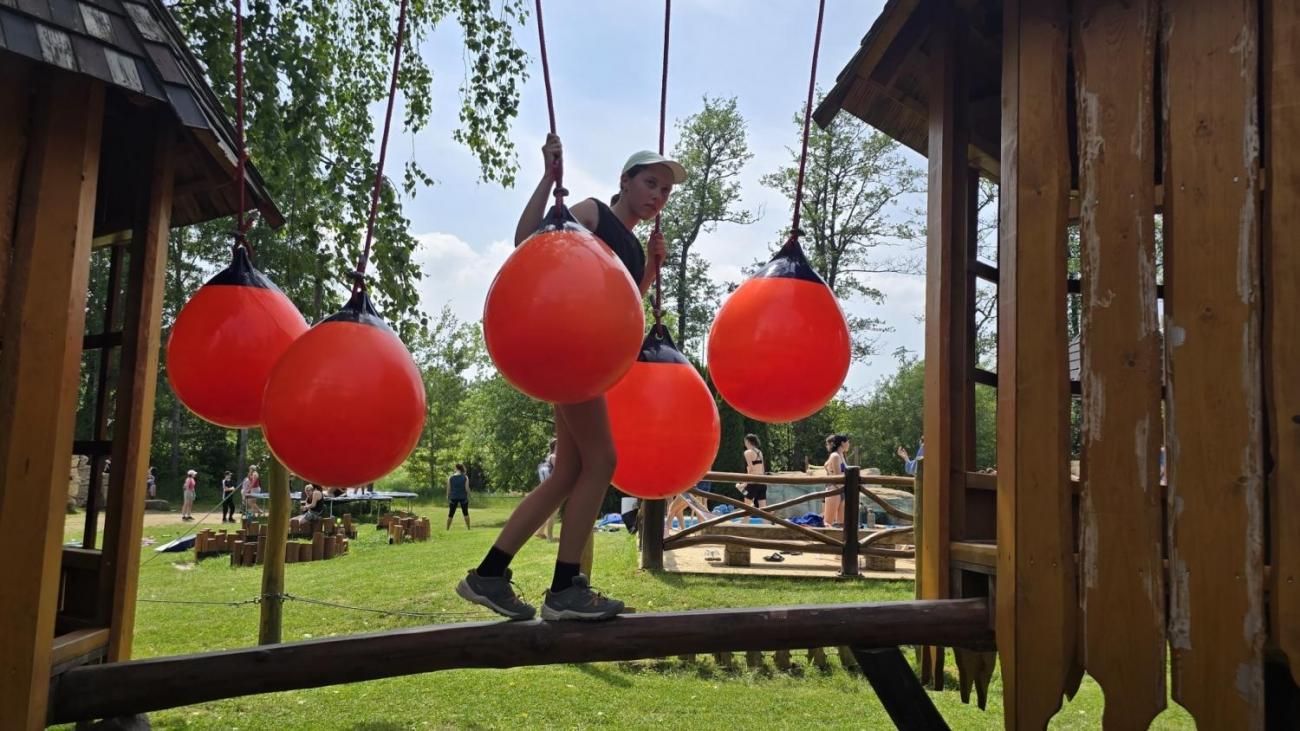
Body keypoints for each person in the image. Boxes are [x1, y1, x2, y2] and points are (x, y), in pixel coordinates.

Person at [457, 137, 680, 622]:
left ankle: (489, 575)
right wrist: (547, 177)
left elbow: (624, 310)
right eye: (649, 183)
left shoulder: (635, 249)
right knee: (602, 459)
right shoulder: (595, 213)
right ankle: (565, 589)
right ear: (624, 182)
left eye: (664, 191)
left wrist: (651, 270)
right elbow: (527, 243)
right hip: (568, 348)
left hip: (589, 357)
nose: (657, 196)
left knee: (567, 473)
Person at [823, 434, 851, 528]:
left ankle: (839, 542)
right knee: (828, 522)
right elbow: (838, 477)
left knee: (841, 524)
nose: (849, 444)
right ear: (842, 443)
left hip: (842, 491)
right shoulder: (835, 456)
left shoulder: (841, 455)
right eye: (848, 442)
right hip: (834, 490)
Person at [534, 438, 559, 540]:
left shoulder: (548, 458)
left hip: (546, 489)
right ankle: (550, 536)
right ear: (555, 446)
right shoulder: (554, 456)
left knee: (548, 512)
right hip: (552, 489)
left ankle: (539, 532)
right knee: (553, 513)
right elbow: (559, 469)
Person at [738, 434, 767, 516]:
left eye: (745, 442)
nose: (745, 444)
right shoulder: (759, 452)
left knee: (746, 507)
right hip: (762, 481)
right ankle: (767, 525)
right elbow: (762, 469)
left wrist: (745, 483)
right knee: (763, 509)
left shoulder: (747, 452)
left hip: (753, 481)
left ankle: (743, 526)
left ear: (748, 442)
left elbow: (750, 469)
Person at [447, 464, 471, 530]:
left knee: (450, 514)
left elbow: (449, 488)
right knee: (465, 513)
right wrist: (469, 494)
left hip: (453, 497)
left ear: (456, 468)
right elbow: (467, 488)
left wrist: (448, 496)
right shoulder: (465, 477)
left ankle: (447, 529)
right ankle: (468, 528)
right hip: (463, 497)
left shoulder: (450, 477)